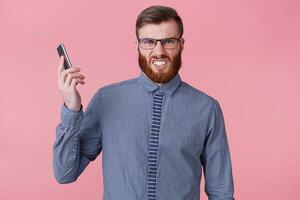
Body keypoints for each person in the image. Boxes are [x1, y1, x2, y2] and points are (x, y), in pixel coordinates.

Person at [54, 5, 235, 200]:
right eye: (149, 41)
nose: (159, 51)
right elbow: (65, 174)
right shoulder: (106, 100)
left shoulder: (207, 109)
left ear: (182, 44)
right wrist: (72, 109)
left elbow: (221, 192)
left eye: (169, 41)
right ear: (137, 45)